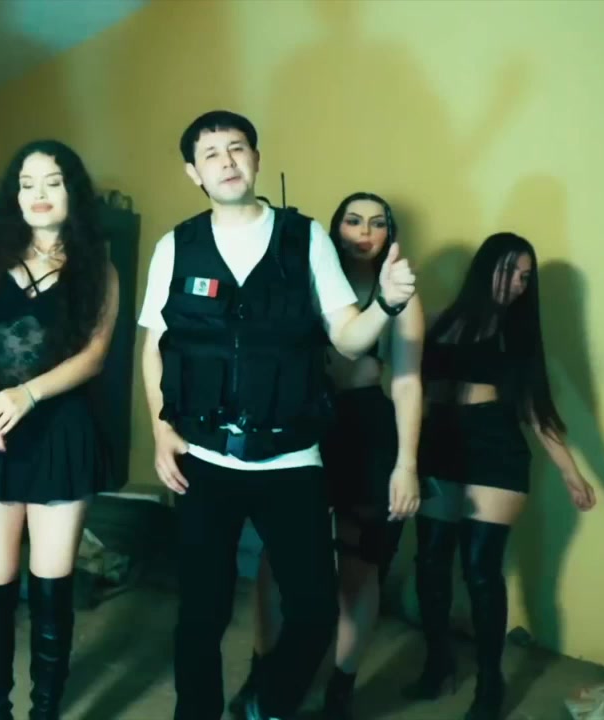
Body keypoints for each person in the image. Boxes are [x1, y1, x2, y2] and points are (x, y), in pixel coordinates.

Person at [138, 110, 417, 720]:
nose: (227, 161)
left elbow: (348, 338)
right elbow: (154, 346)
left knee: (314, 610)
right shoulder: (176, 246)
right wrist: (161, 431)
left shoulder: (305, 238)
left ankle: (268, 704)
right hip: (203, 457)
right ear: (194, 173)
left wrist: (388, 304)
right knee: (202, 615)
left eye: (237, 148)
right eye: (211, 154)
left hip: (291, 459)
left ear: (257, 159)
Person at [0, 140, 119, 720]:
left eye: (52, 182)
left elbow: (94, 355)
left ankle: (45, 711)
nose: (38, 195)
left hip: (61, 434)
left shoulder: (99, 266)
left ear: (73, 191)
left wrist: (27, 394)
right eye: (26, 184)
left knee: (51, 588)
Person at [236, 192, 425, 720]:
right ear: (334, 227)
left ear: (390, 233)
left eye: (377, 223)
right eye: (353, 220)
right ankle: (263, 671)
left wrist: (407, 464)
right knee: (277, 557)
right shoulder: (305, 275)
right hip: (302, 424)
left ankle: (340, 688)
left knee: (359, 567)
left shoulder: (399, 291)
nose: (364, 232)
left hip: (366, 429)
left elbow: (408, 383)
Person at [406, 232, 596, 720]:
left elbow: (536, 410)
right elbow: (411, 390)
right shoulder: (439, 320)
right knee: (430, 562)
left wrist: (572, 474)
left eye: (525, 278)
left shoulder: (517, 333)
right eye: (510, 271)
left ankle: (490, 682)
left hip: (495, 451)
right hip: (440, 446)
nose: (517, 284)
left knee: (480, 569)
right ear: (485, 268)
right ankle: (438, 661)